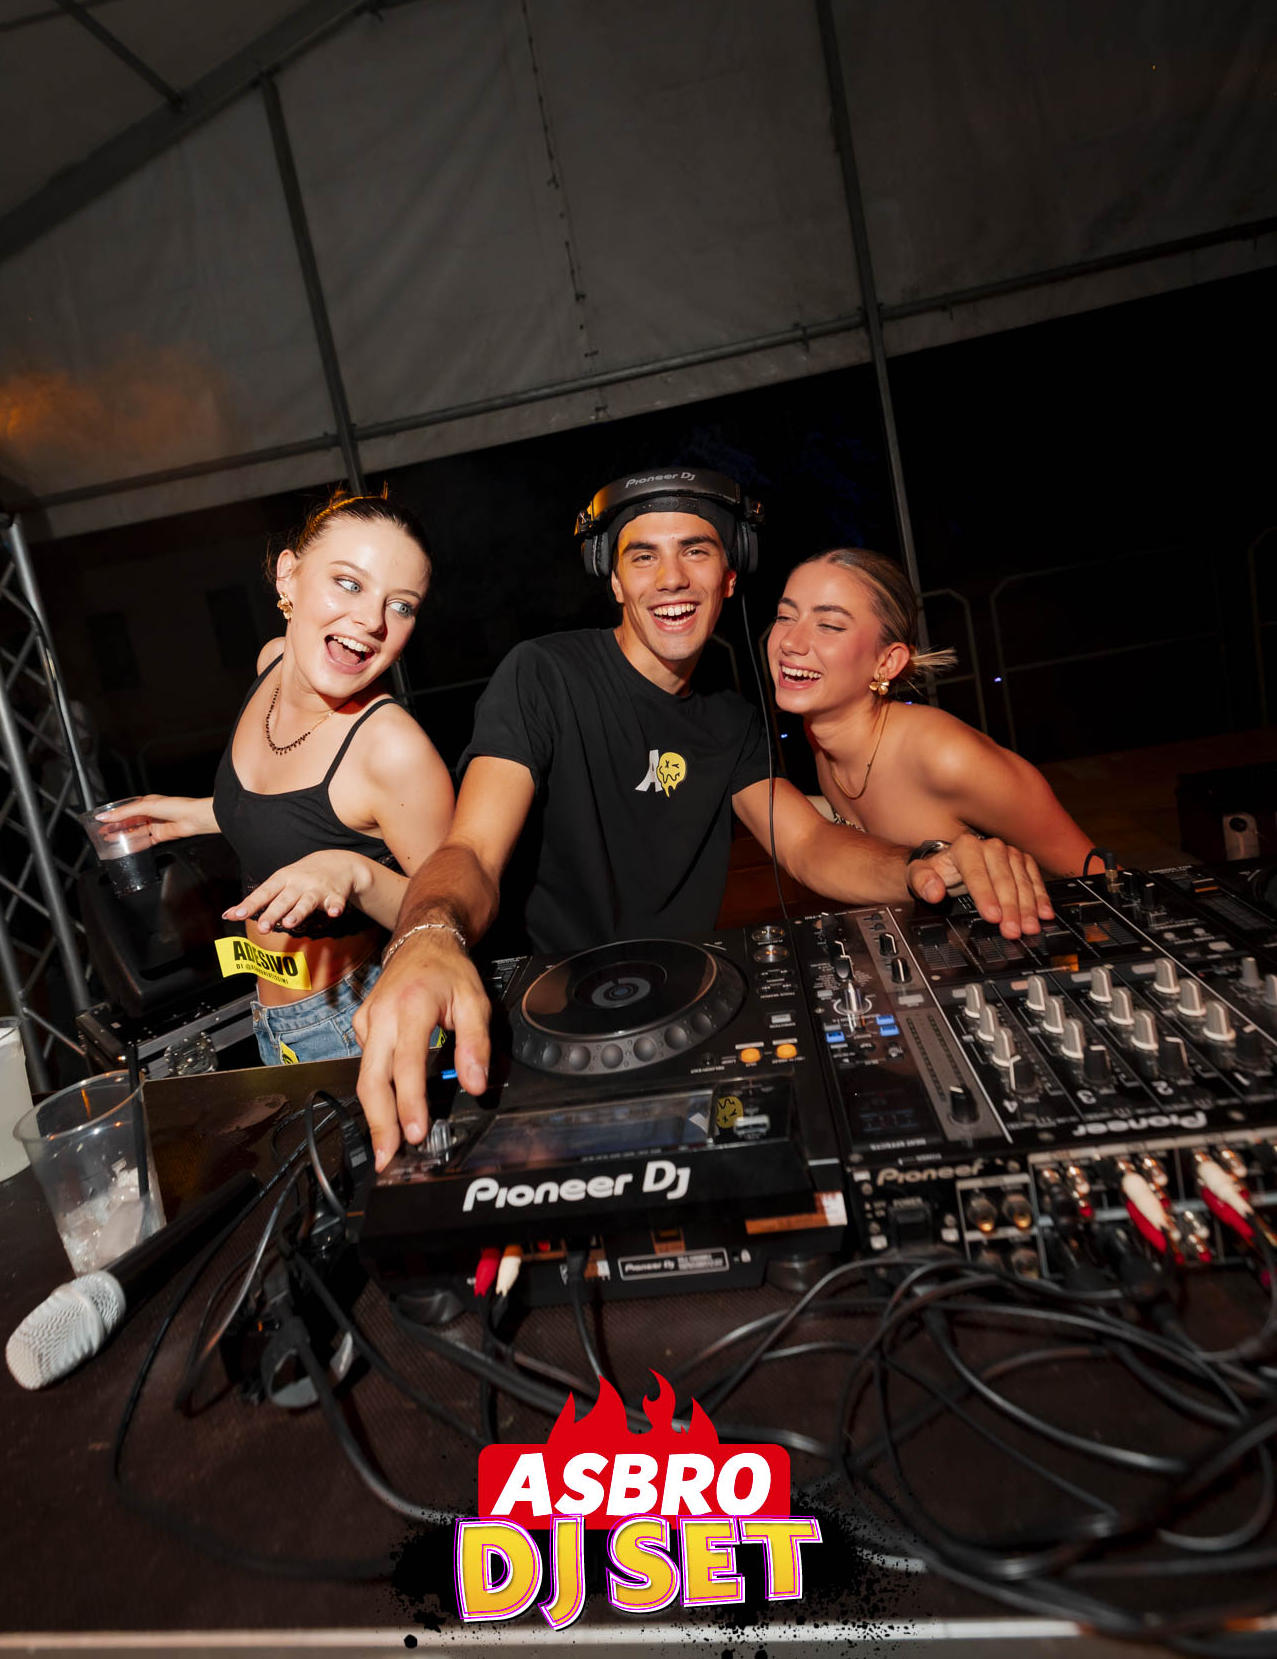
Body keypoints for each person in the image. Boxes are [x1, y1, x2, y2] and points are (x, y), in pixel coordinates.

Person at [351, 467, 1056, 1169]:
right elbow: (473, 847)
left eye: (695, 551)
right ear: (614, 580)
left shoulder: (732, 720)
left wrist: (925, 863)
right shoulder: (542, 675)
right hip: (540, 1026)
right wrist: (429, 934)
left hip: (683, 1019)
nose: (671, 578)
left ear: (729, 576)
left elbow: (808, 843)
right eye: (643, 556)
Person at [97, 490, 453, 1064]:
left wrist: (357, 875)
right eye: (349, 582)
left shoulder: (393, 750)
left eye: (401, 606)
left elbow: (452, 917)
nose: (371, 620)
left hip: (359, 1025)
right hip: (270, 1019)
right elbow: (300, 817)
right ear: (289, 577)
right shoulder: (272, 664)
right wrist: (198, 813)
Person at [769, 549, 1095, 875]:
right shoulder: (818, 732)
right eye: (785, 617)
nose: (790, 642)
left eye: (828, 625)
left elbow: (1099, 876)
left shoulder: (949, 757)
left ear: (887, 663)